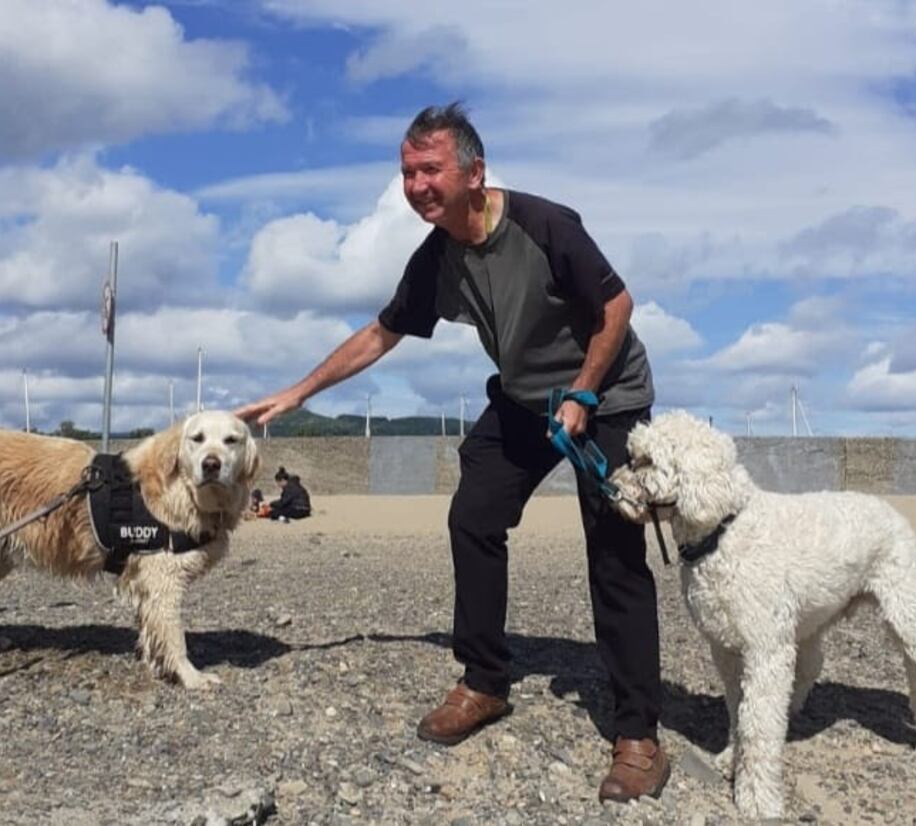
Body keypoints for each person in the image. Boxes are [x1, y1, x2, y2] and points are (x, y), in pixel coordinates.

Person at [235, 102, 666, 804]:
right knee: (473, 516)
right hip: (526, 399)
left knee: (614, 552)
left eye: (429, 169)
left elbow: (617, 307)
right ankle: (485, 681)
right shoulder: (438, 256)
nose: (415, 185)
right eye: (407, 172)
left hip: (607, 392)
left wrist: (585, 394)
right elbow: (382, 332)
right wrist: (298, 391)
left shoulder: (545, 225)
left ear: (474, 172)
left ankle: (639, 736)